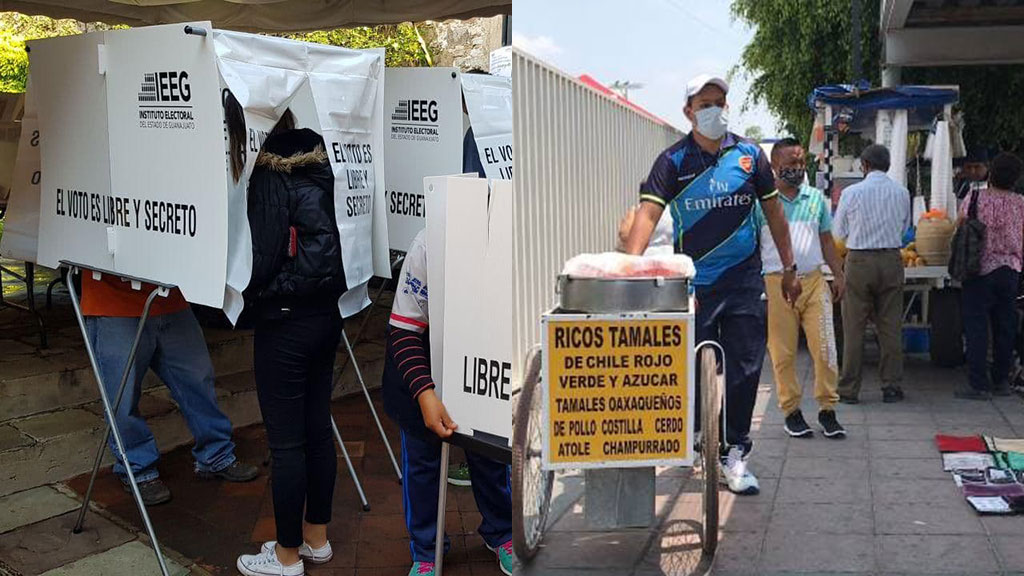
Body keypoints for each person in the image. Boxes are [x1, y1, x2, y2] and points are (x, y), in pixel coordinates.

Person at [623, 74, 800, 496]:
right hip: (693, 286)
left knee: (744, 370)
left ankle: (735, 452)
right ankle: (698, 434)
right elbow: (646, 217)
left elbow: (774, 215)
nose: (715, 110)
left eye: (720, 101)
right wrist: (626, 270)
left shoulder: (749, 155)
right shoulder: (673, 161)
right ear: (688, 111)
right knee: (688, 369)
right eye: (706, 103)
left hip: (744, 282)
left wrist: (790, 267)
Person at [235, 111, 347, 576]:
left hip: (284, 322)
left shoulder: (266, 175)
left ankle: (285, 557)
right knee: (318, 429)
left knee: (286, 444)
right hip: (327, 313)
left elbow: (260, 257)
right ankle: (316, 539)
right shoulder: (327, 165)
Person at [382, 229, 515, 576]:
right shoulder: (429, 243)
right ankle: (426, 550)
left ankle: (502, 532)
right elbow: (404, 328)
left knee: (490, 455)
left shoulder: (521, 241)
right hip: (420, 366)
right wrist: (425, 393)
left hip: (485, 364)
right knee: (423, 465)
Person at [81, 276, 259, 506]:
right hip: (114, 303)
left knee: (198, 380)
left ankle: (216, 454)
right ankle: (139, 468)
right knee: (121, 397)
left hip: (170, 297)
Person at [754, 138, 846, 438]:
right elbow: (753, 246)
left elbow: (826, 242)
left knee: (826, 348)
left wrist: (839, 274)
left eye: (801, 163)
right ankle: (791, 411)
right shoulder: (763, 205)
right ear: (774, 167)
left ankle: (827, 409)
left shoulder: (816, 199)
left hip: (814, 281)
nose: (797, 169)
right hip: (776, 283)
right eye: (790, 164)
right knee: (783, 353)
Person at [833, 144, 912, 404]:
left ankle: (848, 390)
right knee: (890, 327)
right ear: (887, 165)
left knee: (853, 327)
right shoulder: (901, 192)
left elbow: (839, 232)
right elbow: (904, 228)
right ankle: (891, 386)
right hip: (891, 260)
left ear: (864, 166)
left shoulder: (851, 193)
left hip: (859, 261)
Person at [955, 152, 1024, 400]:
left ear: (991, 173)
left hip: (978, 269)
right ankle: (1001, 380)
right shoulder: (1021, 203)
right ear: (1016, 179)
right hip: (1010, 272)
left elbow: (960, 223)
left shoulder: (974, 198)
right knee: (1005, 325)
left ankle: (979, 384)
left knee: (976, 326)